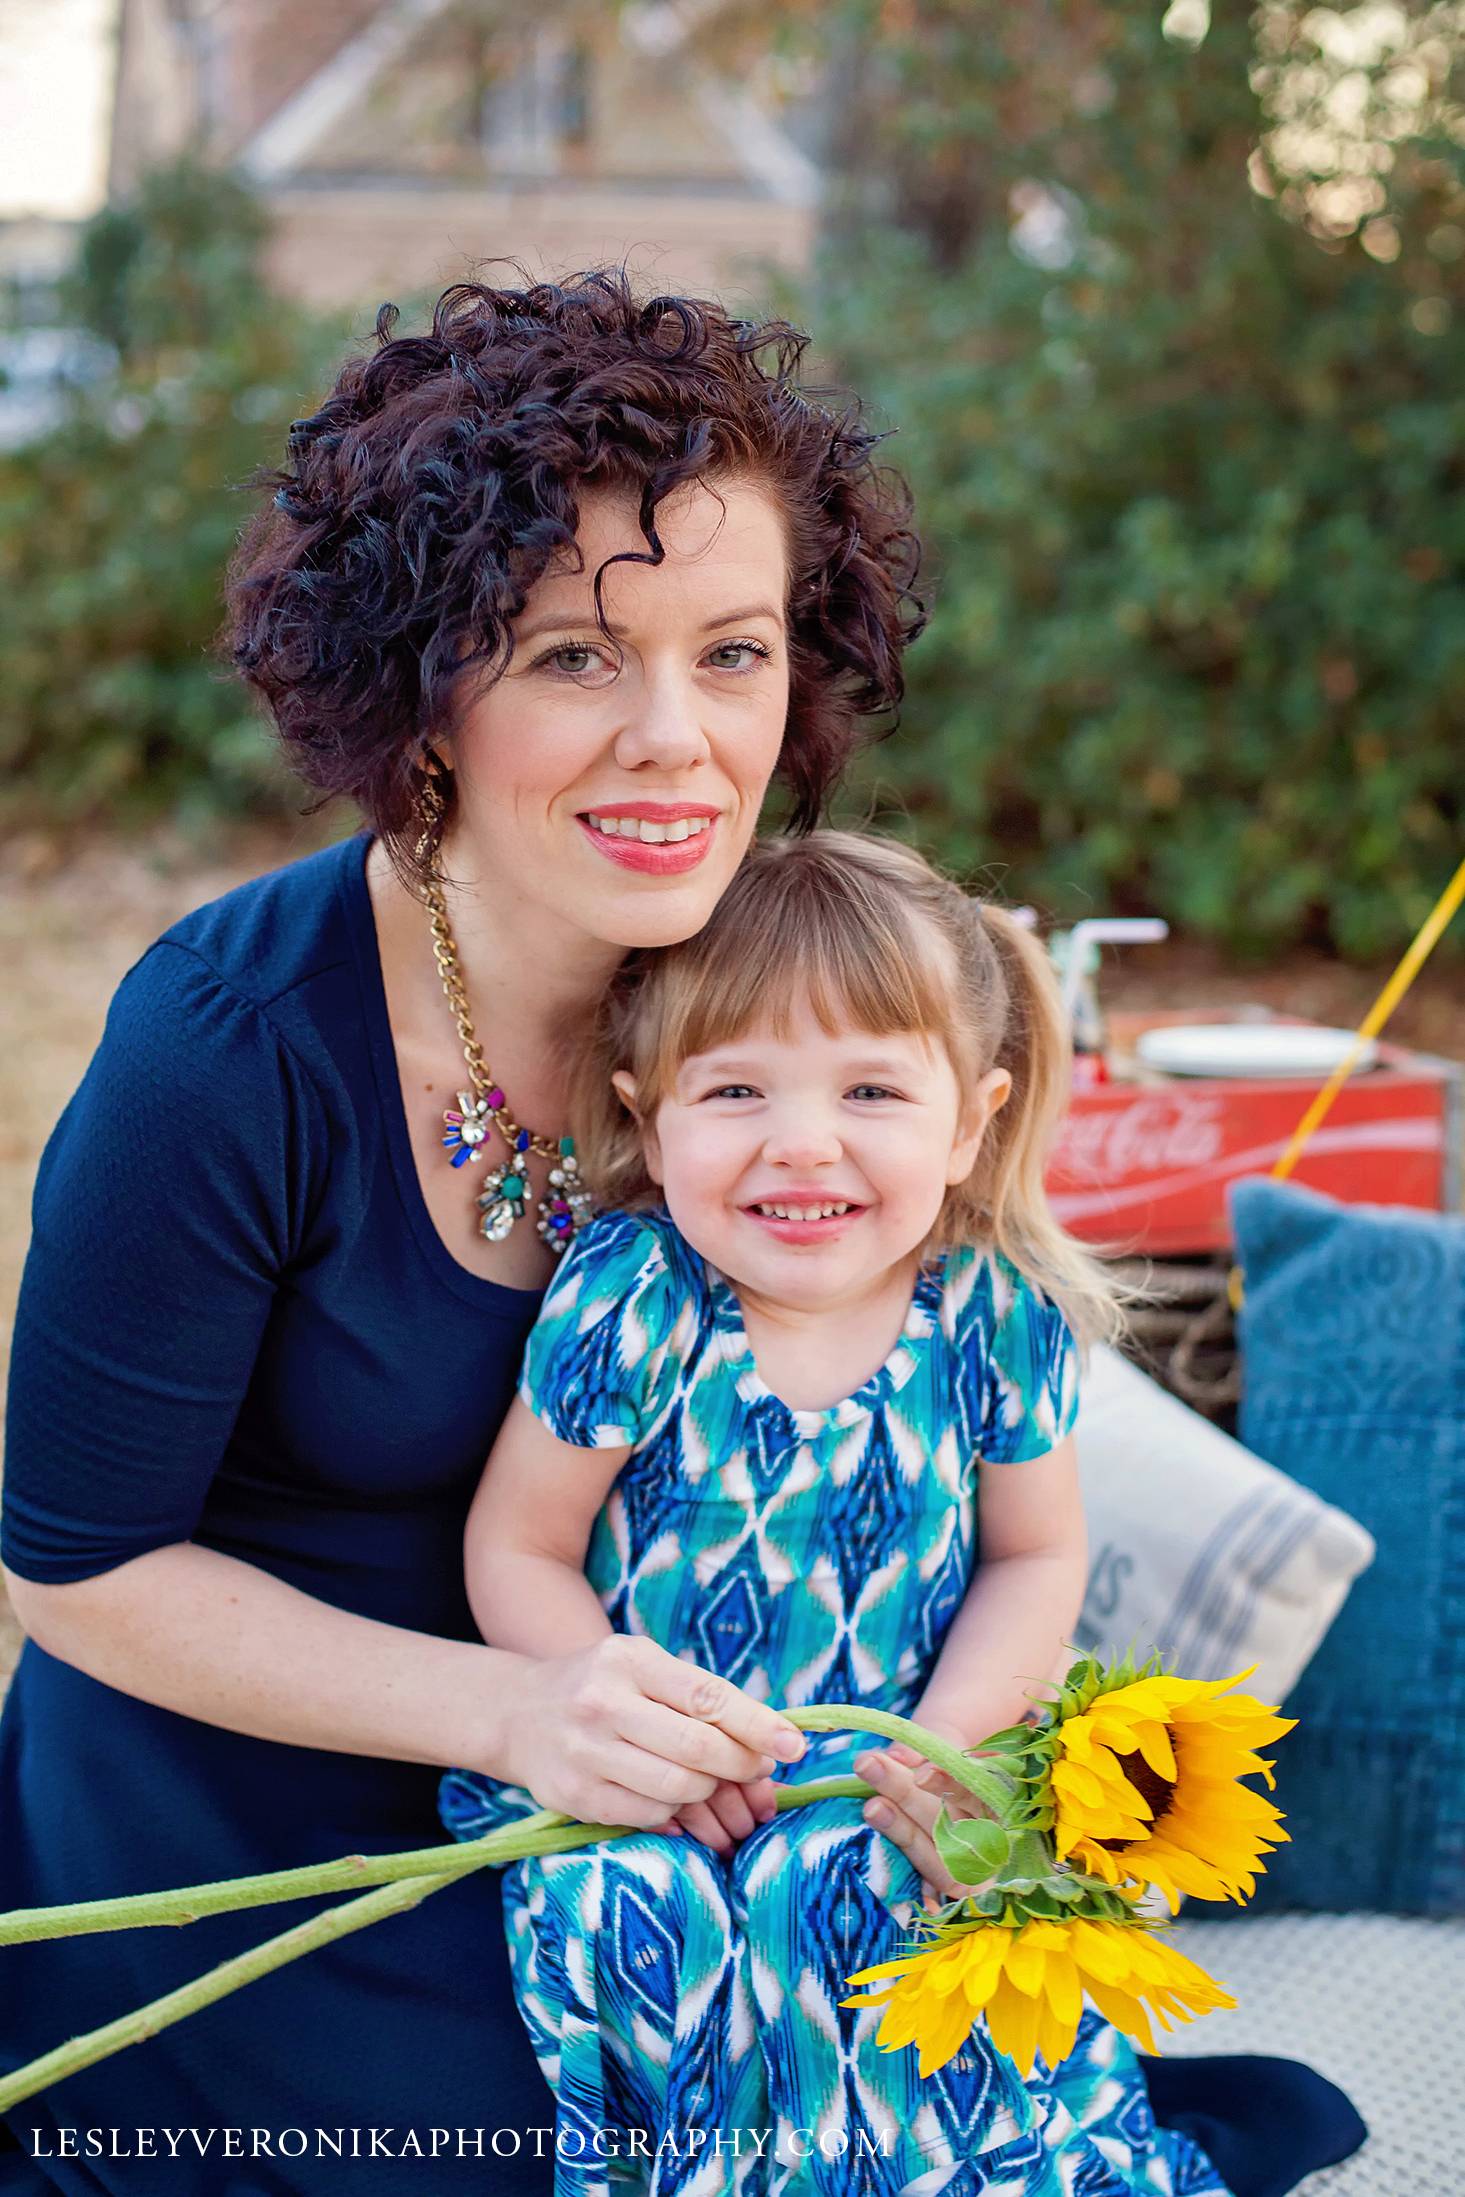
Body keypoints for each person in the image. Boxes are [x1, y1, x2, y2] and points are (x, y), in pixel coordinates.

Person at [0, 272, 921, 2194]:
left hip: (647, 1783)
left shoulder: (789, 1008)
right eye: (575, 656)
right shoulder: (227, 1047)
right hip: (253, 1809)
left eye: (732, 651)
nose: (678, 739)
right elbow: (73, 1570)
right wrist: (512, 1708)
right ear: (422, 685)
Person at [437, 829, 1233, 2197]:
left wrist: (949, 1744)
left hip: (893, 1759)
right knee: (638, 1902)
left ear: (970, 1117)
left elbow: (1035, 1555)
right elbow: (520, 1541)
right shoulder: (637, 1293)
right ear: (647, 1109)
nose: (801, 1142)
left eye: (870, 1088)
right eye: (735, 1088)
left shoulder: (992, 1312)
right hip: (656, 1779)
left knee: (878, 1889)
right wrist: (618, 1713)